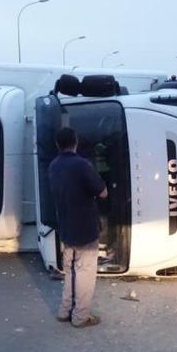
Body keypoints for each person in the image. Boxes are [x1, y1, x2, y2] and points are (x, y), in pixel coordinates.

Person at [48, 127, 108, 328]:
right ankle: (81, 316)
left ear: (58, 144)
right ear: (76, 142)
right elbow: (103, 193)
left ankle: (64, 311)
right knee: (85, 272)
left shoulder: (53, 166)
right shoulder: (82, 165)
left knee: (70, 271)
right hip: (85, 229)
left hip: (66, 227)